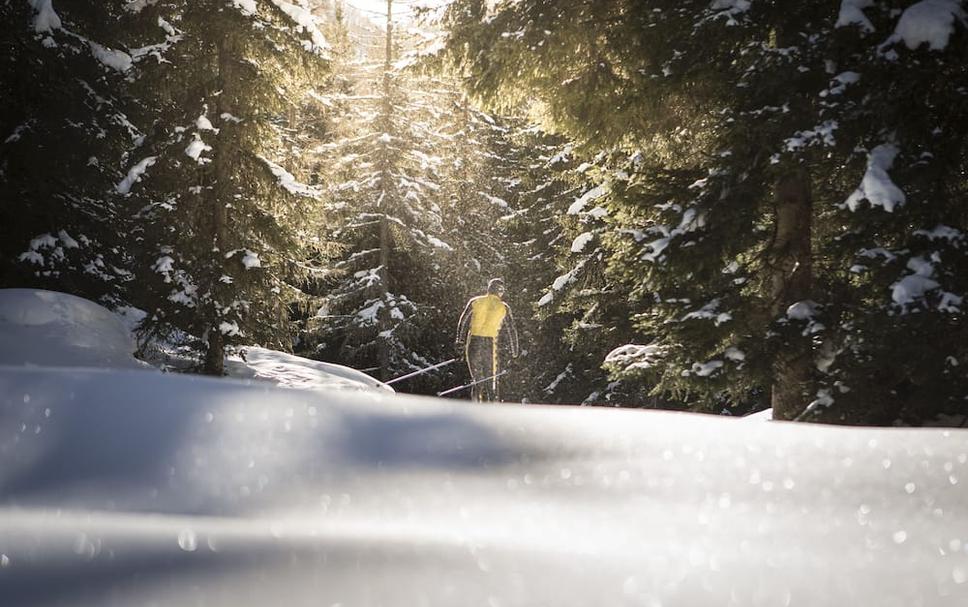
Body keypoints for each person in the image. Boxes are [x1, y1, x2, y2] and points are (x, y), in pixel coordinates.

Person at [455, 278, 520, 402]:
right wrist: (514, 354)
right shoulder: (504, 307)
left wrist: (459, 342)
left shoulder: (475, 301)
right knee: (491, 381)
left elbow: (463, 322)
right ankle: (492, 408)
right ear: (500, 291)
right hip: (489, 344)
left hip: (473, 342)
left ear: (489, 289)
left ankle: (475, 406)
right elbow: (512, 330)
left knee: (477, 380)